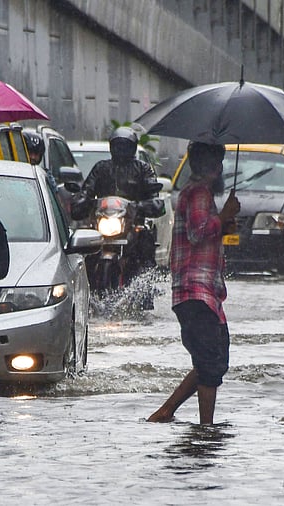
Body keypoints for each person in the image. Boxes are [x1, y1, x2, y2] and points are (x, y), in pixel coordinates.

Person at [147, 141, 240, 425]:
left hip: (204, 292)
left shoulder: (198, 193)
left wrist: (224, 224)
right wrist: (223, 217)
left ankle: (166, 412)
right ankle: (206, 427)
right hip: (196, 291)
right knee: (211, 361)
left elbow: (201, 234)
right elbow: (199, 232)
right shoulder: (198, 192)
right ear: (214, 167)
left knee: (213, 359)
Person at [78, 126, 161, 285]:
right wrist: (82, 200)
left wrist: (145, 205)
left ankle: (146, 287)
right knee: (83, 246)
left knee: (146, 238)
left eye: (125, 146)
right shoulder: (101, 168)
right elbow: (87, 189)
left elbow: (153, 193)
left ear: (133, 148)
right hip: (104, 220)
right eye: (118, 145)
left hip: (132, 222)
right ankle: (84, 284)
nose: (121, 150)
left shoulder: (143, 169)